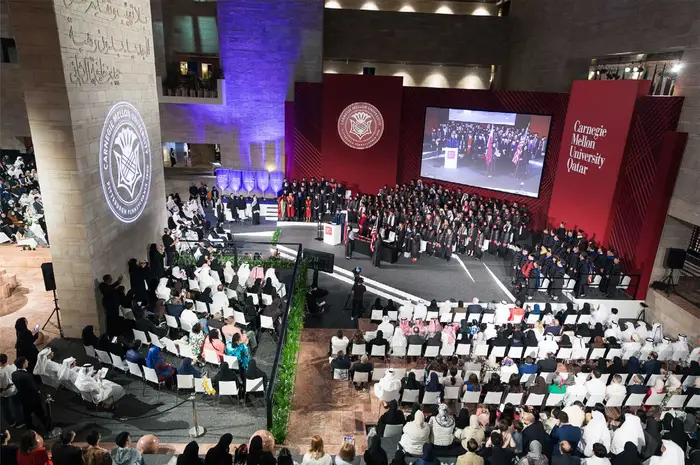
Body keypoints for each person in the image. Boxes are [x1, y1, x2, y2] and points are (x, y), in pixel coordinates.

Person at [11, 357, 49, 434]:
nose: (27, 362)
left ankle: (30, 428)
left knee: (27, 414)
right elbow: (33, 387)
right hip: (32, 398)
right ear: (23, 364)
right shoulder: (27, 376)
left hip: (22, 398)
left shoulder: (14, 374)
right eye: (26, 362)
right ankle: (47, 427)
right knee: (40, 413)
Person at [0, 354, 21, 428]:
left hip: (4, 392)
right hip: (14, 388)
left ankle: (11, 422)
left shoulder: (1, 372)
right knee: (17, 405)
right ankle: (20, 421)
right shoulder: (13, 367)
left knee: (5, 407)